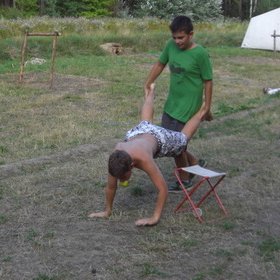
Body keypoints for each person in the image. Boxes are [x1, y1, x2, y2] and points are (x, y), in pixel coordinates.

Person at [89, 83, 205, 227]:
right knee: (145, 122)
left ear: (132, 165)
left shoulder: (143, 159)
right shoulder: (116, 158)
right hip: (137, 133)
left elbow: (162, 189)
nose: (121, 180)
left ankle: (203, 109)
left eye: (123, 177)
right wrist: (107, 211)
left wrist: (154, 218)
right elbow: (111, 187)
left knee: (183, 139)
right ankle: (150, 92)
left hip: (159, 138)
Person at [143, 15, 213, 192]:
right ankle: (194, 162)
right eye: (174, 37)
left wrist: (207, 107)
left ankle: (185, 179)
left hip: (189, 105)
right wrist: (148, 83)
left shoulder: (200, 54)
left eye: (181, 37)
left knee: (176, 143)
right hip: (172, 103)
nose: (177, 41)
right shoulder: (170, 46)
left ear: (191, 34)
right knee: (167, 141)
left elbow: (208, 81)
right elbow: (160, 64)